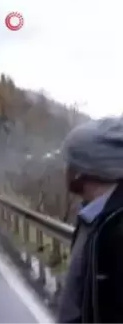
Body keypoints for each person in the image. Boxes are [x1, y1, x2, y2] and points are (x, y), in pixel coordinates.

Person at [57, 117, 123, 324]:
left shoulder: (117, 228)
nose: (65, 169)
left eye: (70, 161)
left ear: (84, 169)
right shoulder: (93, 215)